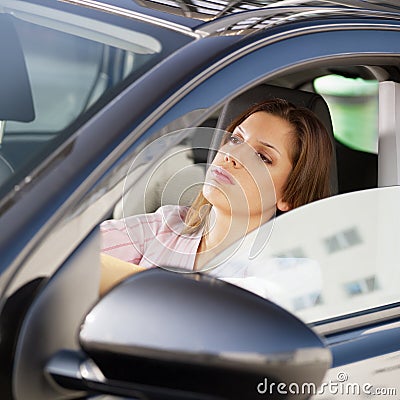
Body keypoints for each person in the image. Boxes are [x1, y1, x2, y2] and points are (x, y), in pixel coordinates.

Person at [99, 98, 333, 295]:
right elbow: (72, 253)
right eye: (235, 139)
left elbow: (210, 303)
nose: (233, 155)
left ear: (289, 196)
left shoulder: (294, 273)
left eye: (262, 157)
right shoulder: (167, 225)